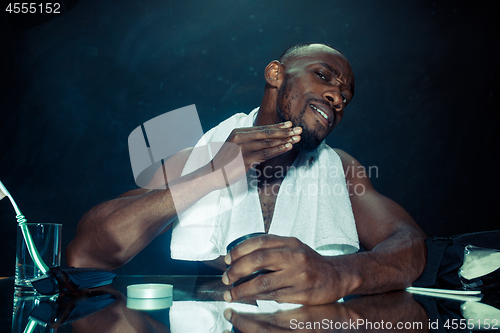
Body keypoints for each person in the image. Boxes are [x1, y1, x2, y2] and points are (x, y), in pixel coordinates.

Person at [66, 43, 427, 305]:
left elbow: (409, 244)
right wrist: (212, 174)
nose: (336, 96)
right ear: (275, 74)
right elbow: (87, 255)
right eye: (323, 76)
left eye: (345, 97)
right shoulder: (199, 158)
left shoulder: (341, 169)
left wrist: (339, 273)